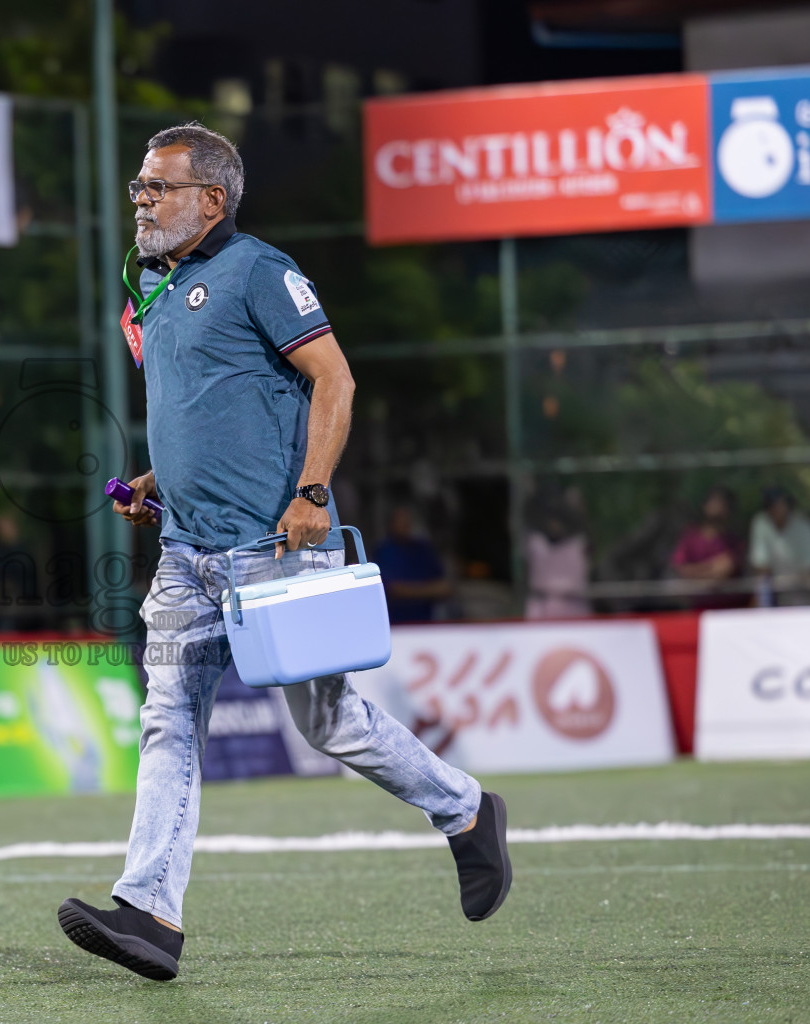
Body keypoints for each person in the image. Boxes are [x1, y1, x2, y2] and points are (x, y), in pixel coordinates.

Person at [56, 123, 510, 982]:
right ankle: (150, 913)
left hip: (275, 543)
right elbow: (215, 406)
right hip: (187, 550)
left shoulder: (260, 271)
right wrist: (161, 476)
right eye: (139, 188)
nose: (142, 201)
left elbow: (333, 379)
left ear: (213, 199)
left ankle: (466, 810)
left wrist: (309, 493)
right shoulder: (152, 285)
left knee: (327, 721)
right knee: (169, 722)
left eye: (159, 187)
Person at [670, 486, 746, 610]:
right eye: (713, 502)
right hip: (695, 612)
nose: (716, 507)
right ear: (704, 506)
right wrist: (711, 567)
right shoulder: (690, 536)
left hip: (729, 612)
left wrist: (696, 574)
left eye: (721, 503)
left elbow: (723, 571)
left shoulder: (733, 541)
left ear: (728, 509)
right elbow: (681, 568)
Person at [749, 487, 810, 606]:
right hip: (778, 597)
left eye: (778, 503)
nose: (775, 508)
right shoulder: (761, 522)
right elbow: (761, 568)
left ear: (788, 504)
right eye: (770, 504)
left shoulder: (803, 526)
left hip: (807, 597)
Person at [374, 503, 451, 623]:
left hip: (426, 622)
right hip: (395, 624)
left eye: (408, 520)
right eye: (401, 520)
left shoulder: (423, 549)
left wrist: (412, 591)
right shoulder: (384, 550)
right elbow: (392, 589)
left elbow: (445, 587)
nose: (406, 524)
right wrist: (428, 591)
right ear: (391, 523)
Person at [525, 497, 590, 620]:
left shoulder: (580, 540)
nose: (555, 525)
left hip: (575, 604)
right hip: (541, 605)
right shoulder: (536, 540)